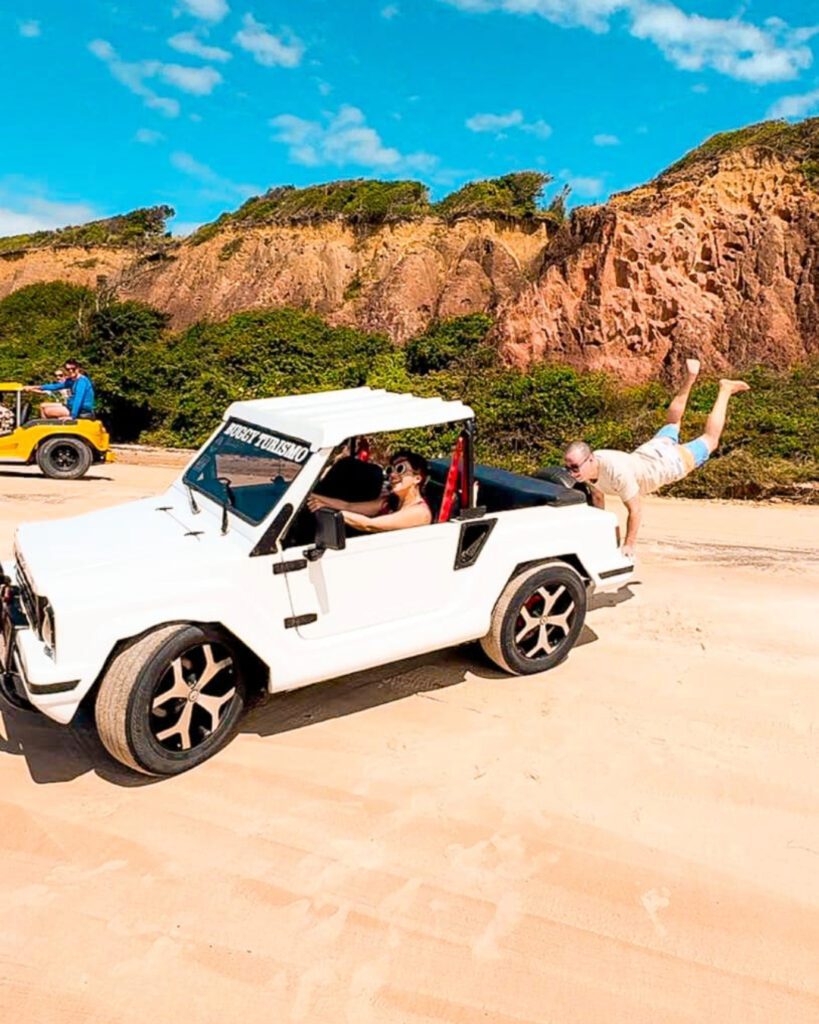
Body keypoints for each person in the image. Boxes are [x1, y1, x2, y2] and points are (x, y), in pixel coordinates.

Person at [564, 359, 750, 557]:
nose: (571, 473)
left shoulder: (617, 473)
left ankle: (725, 390)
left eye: (574, 467)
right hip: (652, 449)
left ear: (590, 460)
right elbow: (598, 496)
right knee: (673, 421)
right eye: (567, 467)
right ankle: (690, 377)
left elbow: (635, 510)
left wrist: (628, 545)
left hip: (670, 462)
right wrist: (601, 530)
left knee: (710, 440)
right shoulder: (590, 468)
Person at [307, 450, 433, 532]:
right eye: (390, 470)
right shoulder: (389, 501)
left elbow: (370, 524)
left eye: (400, 469)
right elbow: (348, 506)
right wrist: (310, 496)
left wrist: (335, 513)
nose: (393, 475)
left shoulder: (419, 512)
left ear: (417, 478)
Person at [24, 359, 95, 420]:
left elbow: (78, 398)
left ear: (78, 368)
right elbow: (55, 386)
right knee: (42, 406)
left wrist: (72, 416)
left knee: (47, 411)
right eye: (68, 369)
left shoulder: (82, 381)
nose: (70, 371)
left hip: (82, 410)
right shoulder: (71, 380)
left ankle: (50, 431)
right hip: (70, 406)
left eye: (73, 369)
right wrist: (34, 387)